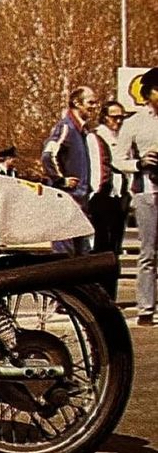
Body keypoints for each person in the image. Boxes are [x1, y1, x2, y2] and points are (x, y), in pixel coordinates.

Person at [113, 68, 158, 327]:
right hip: (147, 191)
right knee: (148, 252)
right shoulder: (134, 123)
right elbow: (118, 159)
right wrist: (140, 163)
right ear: (148, 93)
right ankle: (145, 309)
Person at [41, 86, 99, 256]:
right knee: (65, 251)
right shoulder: (66, 127)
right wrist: (60, 180)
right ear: (76, 103)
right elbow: (48, 155)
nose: (94, 107)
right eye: (90, 102)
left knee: (82, 252)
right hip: (67, 199)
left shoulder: (82, 131)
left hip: (80, 199)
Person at [88, 100, 131, 299]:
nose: (119, 121)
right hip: (102, 196)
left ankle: (109, 295)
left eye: (122, 117)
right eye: (115, 117)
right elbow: (99, 167)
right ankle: (99, 294)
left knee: (114, 249)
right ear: (105, 117)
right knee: (101, 249)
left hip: (119, 196)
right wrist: (97, 192)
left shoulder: (123, 138)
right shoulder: (97, 136)